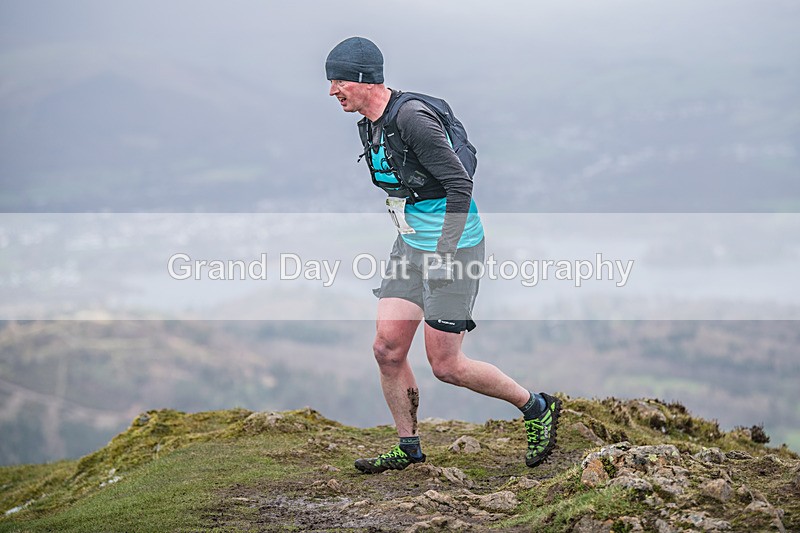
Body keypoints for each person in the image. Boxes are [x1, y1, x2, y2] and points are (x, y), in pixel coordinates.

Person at [325, 36, 561, 474]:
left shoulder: (412, 119)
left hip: (453, 249)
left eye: (338, 81)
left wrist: (446, 252)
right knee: (387, 349)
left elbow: (459, 184)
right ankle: (408, 446)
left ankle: (536, 407)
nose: (332, 92)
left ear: (363, 78)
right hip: (411, 246)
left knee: (446, 365)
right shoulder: (369, 122)